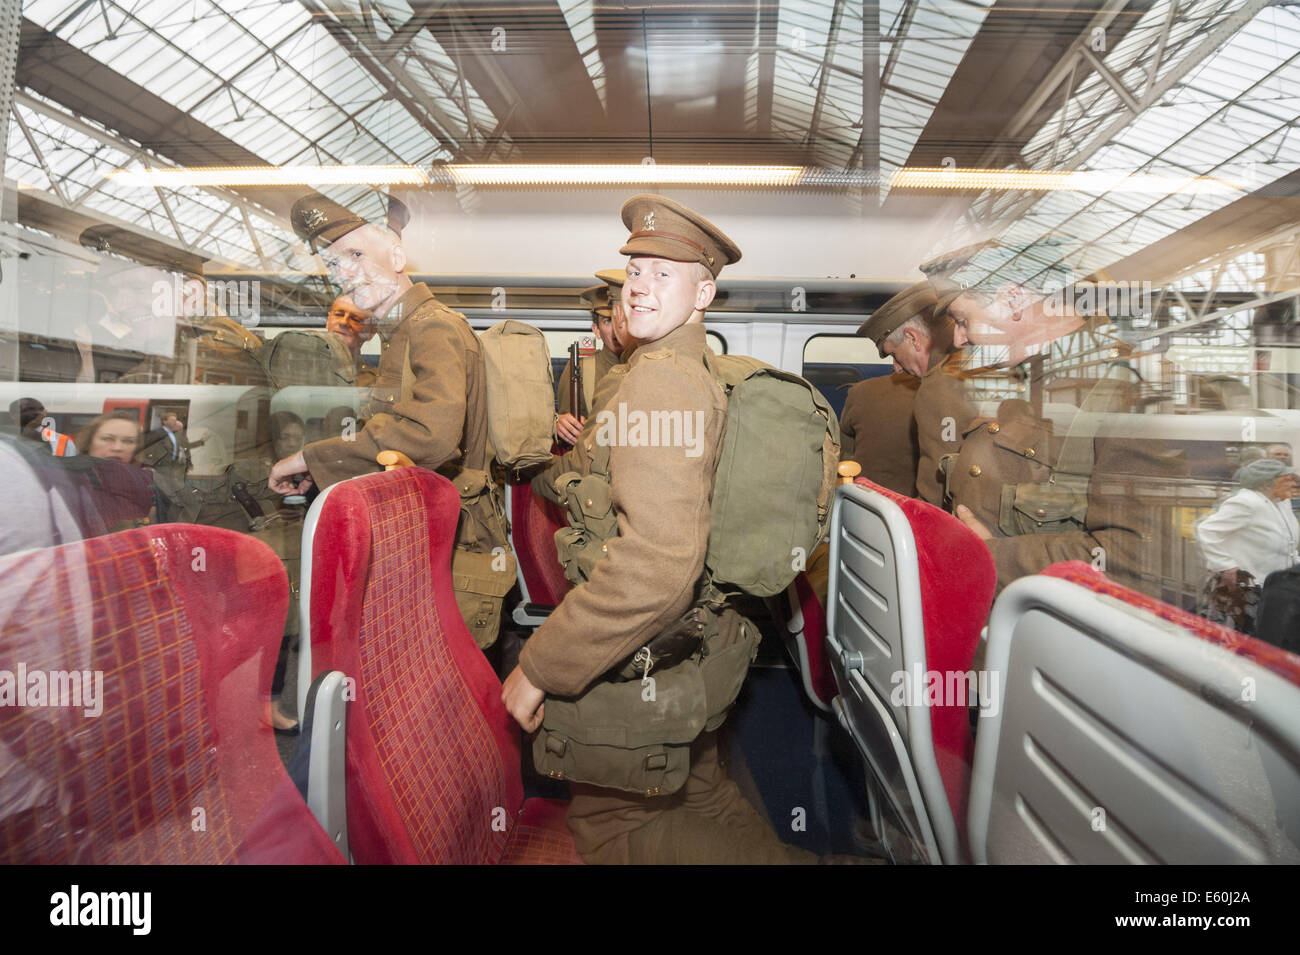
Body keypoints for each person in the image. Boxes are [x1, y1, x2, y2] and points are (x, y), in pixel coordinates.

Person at [502, 195, 817, 865]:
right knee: (703, 797)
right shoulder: (684, 368)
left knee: (616, 828)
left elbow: (656, 565)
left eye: (664, 273)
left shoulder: (658, 384)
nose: (640, 285)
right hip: (697, 643)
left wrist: (540, 665)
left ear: (705, 291)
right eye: (636, 270)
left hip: (648, 646)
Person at [921, 247, 1186, 595]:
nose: (958, 338)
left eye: (962, 320)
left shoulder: (1130, 395)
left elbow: (1138, 559)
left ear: (1013, 300)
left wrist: (991, 557)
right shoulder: (1029, 386)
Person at [269, 191, 488, 495]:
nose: (344, 273)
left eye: (356, 255)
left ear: (397, 257)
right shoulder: (398, 333)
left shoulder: (432, 327)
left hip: (448, 526)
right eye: (333, 263)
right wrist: (329, 468)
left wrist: (311, 457)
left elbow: (430, 437)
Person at [857, 280, 975, 505]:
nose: (896, 368)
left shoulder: (937, 387)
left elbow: (936, 492)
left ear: (913, 338)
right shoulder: (975, 365)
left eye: (894, 354)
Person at [1196, 458, 1299, 634]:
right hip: (1245, 589)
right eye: (1286, 479)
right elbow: (1207, 530)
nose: (1293, 483)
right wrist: (1226, 566)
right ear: (1267, 483)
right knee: (1239, 640)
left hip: (1274, 587)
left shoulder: (1282, 503)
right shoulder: (1246, 502)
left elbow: (1288, 542)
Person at [554, 277, 625, 445]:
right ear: (597, 330)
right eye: (607, 321)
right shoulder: (580, 370)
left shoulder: (649, 366)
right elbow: (567, 429)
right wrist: (559, 424)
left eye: (622, 320)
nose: (615, 329)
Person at [838, 371, 921, 497]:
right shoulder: (940, 392)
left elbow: (841, 447)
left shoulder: (861, 391)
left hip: (865, 499)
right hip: (917, 504)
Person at [71, 412, 154, 535]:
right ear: (89, 442)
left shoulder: (149, 484)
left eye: (128, 441)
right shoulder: (66, 481)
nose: (117, 447)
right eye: (107, 439)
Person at [138, 411, 194, 521]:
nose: (175, 421)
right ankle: (162, 523)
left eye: (176, 419)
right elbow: (146, 450)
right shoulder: (157, 433)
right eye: (172, 420)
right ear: (165, 421)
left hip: (172, 471)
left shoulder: (172, 434)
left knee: (169, 499)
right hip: (161, 471)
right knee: (161, 499)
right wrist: (151, 465)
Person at [325, 293, 379, 387]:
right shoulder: (300, 362)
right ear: (328, 321)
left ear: (371, 333)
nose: (344, 322)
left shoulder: (375, 382)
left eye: (355, 319)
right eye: (339, 314)